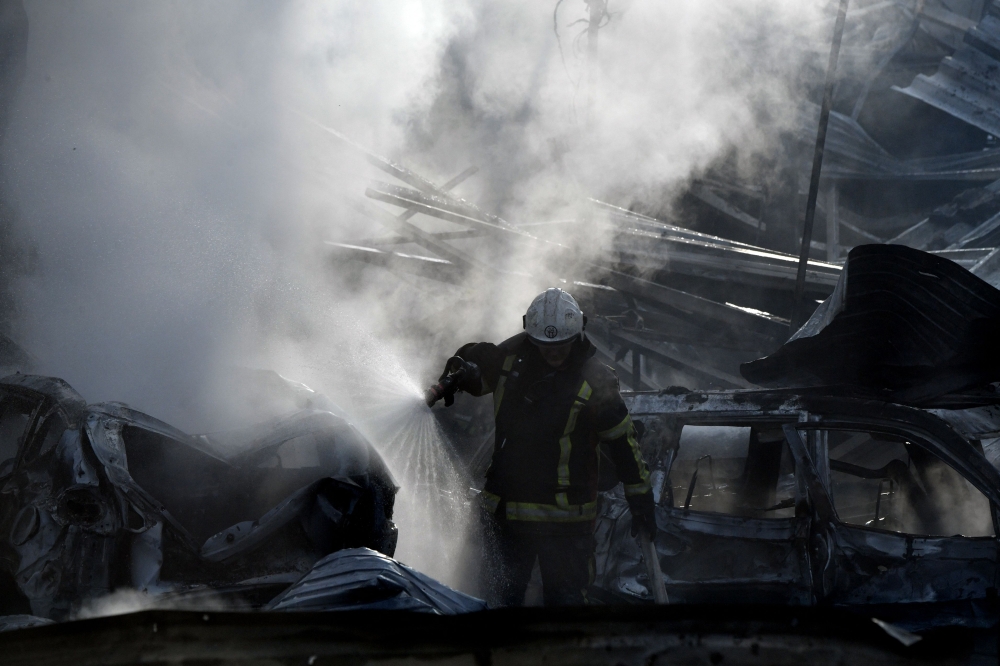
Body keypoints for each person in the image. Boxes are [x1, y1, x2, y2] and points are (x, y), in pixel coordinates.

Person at [432, 288, 655, 606]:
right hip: (507, 516)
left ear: (577, 334)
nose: (554, 353)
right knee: (497, 602)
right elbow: (479, 377)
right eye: (545, 345)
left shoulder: (595, 382)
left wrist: (641, 500)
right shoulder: (510, 363)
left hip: (565, 525)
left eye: (562, 345)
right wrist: (463, 367)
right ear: (532, 337)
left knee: (565, 609)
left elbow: (624, 444)